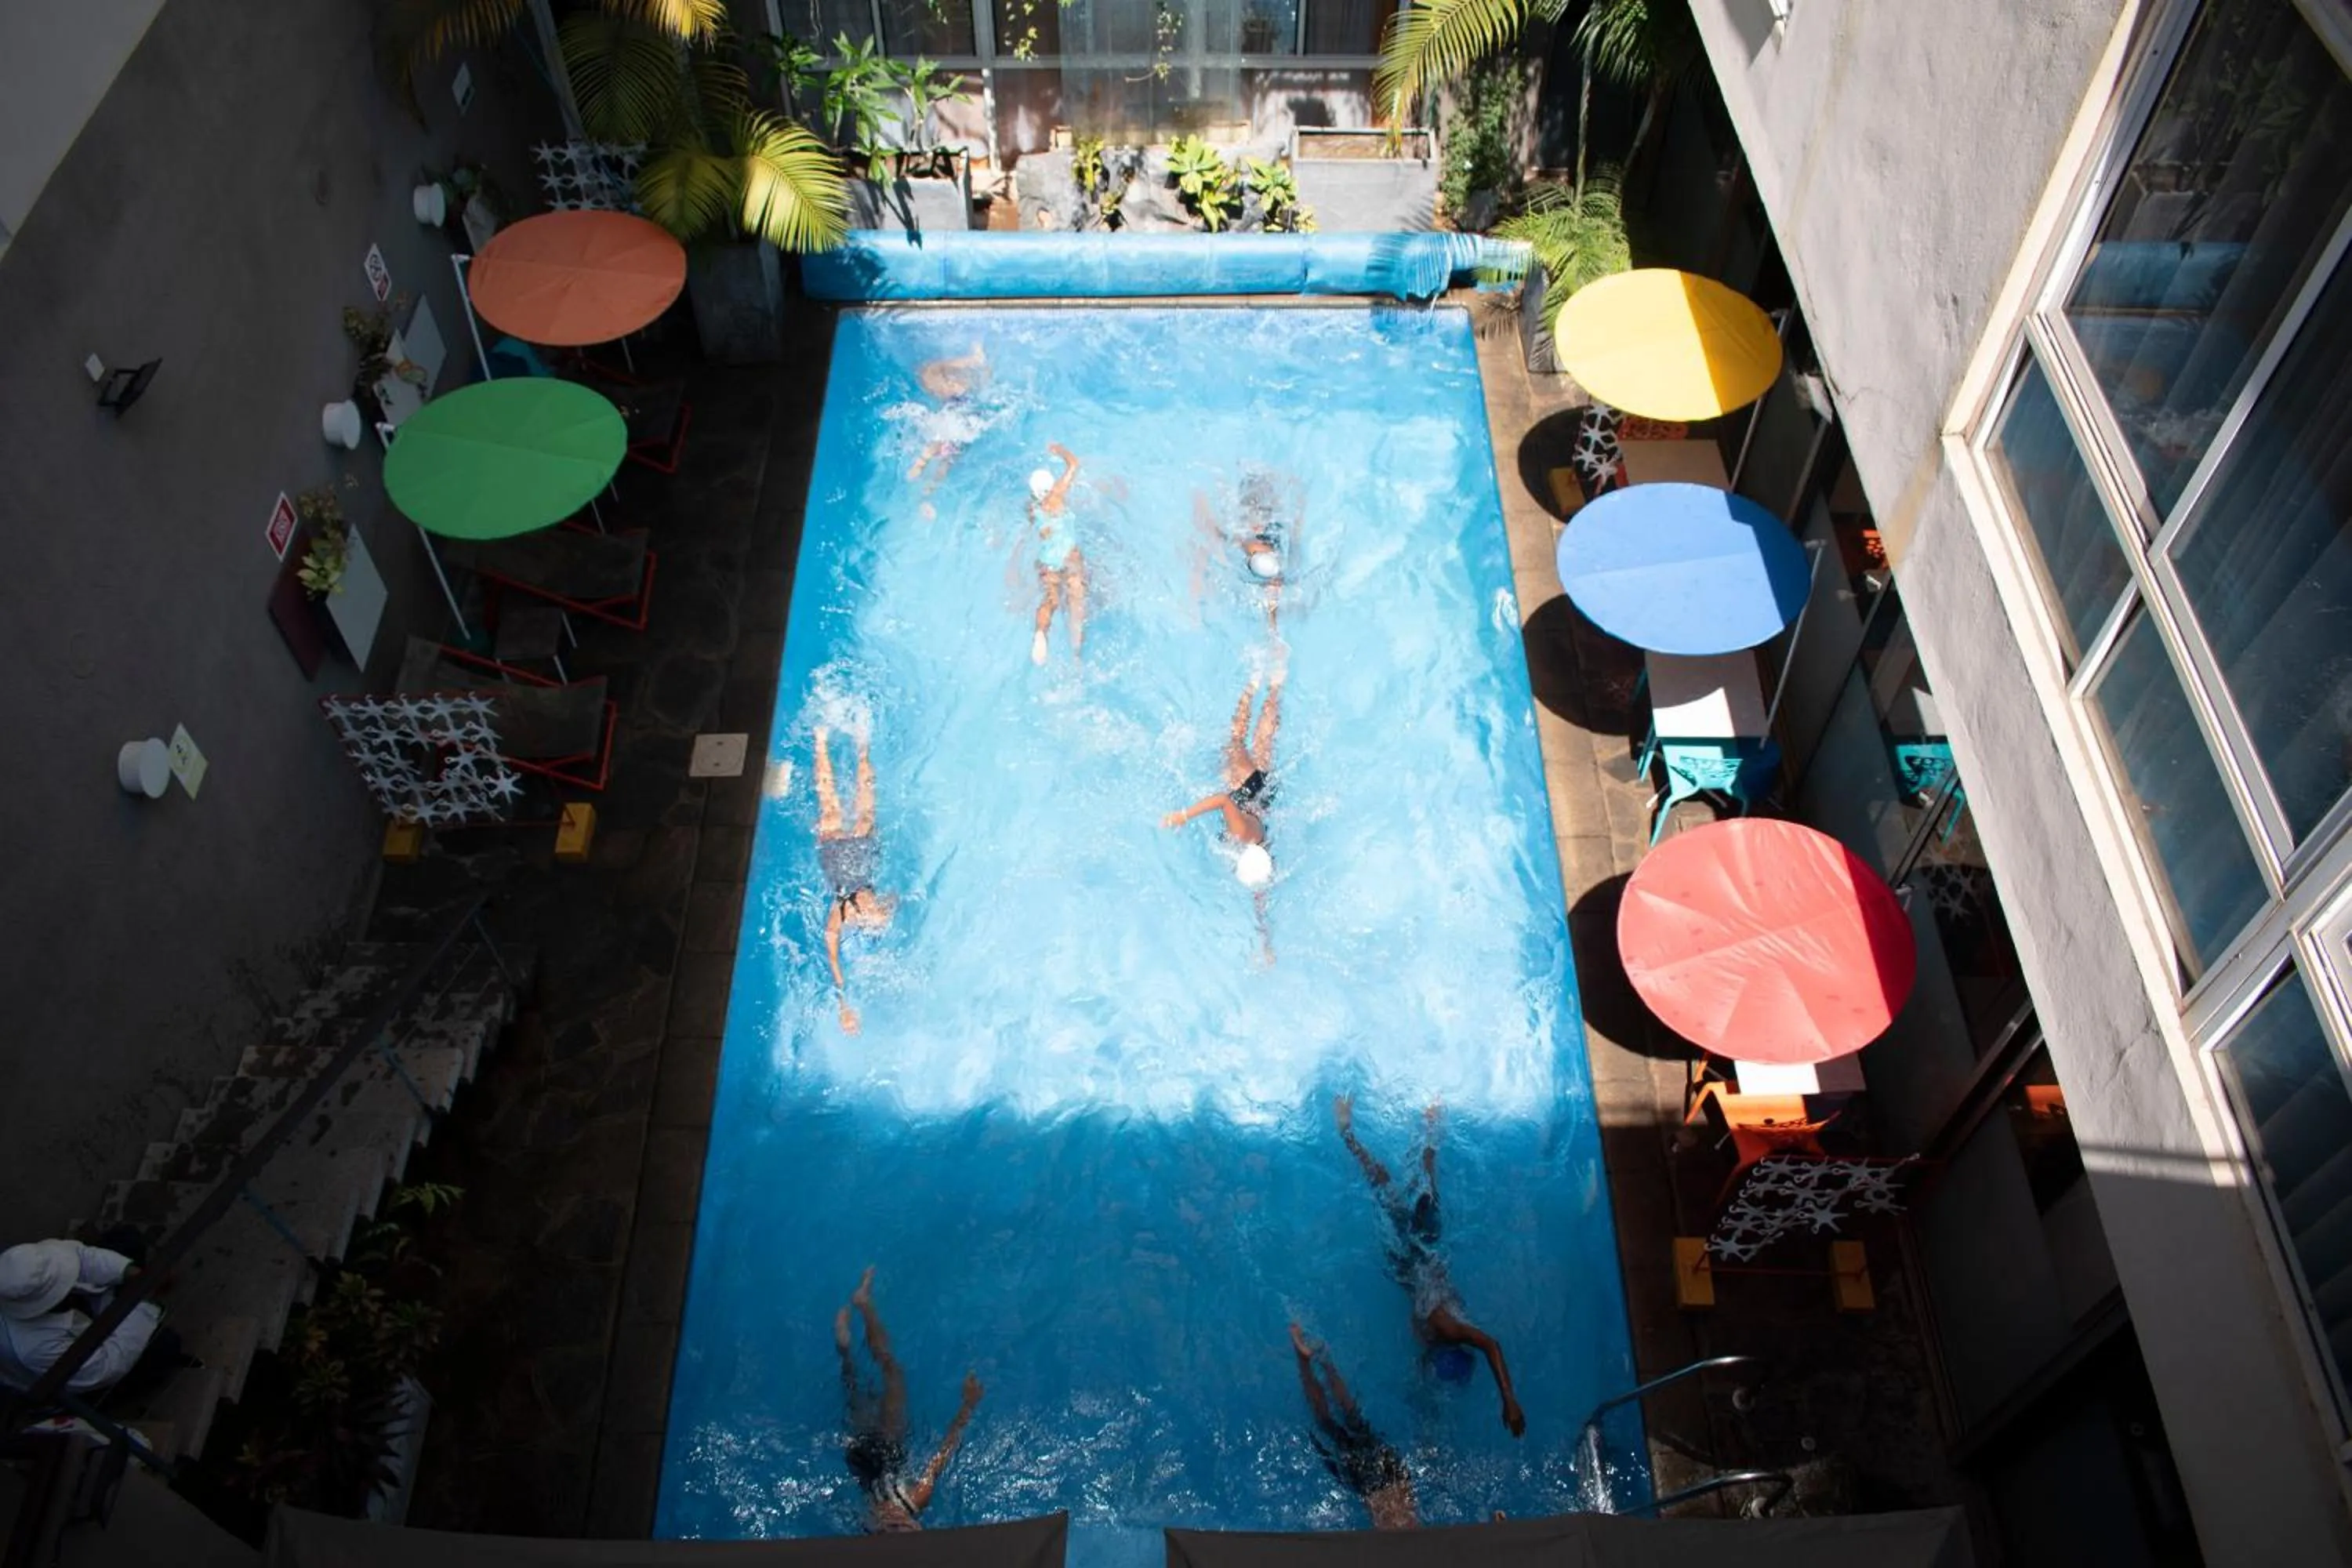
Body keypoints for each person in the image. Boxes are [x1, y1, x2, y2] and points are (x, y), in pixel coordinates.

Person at [1335, 1096, 1526, 1437]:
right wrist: (1508, 1399)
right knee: (1412, 1187)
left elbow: (1469, 1352)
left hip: (1411, 1265)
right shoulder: (1447, 1327)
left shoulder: (1436, 1342)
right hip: (1418, 1253)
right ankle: (1356, 1133)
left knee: (1403, 1188)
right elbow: (1491, 1345)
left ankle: (1374, 1132)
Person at [836, 1266, 985, 1534]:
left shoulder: (916, 1500)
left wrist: (968, 1405)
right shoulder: (877, 1521)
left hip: (887, 1448)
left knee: (892, 1372)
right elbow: (942, 1454)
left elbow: (943, 1453)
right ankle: (845, 1349)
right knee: (855, 1390)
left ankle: (864, 1306)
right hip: (861, 1460)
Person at [1160, 652, 1285, 961]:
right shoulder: (1242, 836)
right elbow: (1222, 800)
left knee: (1262, 742)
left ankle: (1272, 685)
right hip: (1243, 788)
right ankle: (1253, 684)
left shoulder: (1263, 851)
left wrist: (1265, 942)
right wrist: (1183, 816)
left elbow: (1260, 899)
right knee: (1236, 740)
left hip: (1263, 792)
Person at [0, 1236, 187, 1402]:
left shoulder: (28, 1264)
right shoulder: (35, 1348)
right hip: (77, 1381)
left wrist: (132, 1274)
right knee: (165, 1346)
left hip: (81, 1313)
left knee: (125, 1240)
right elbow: (110, 1365)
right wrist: (145, 1303)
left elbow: (82, 1258)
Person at [1289, 1322, 1419, 1530]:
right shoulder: (1397, 1543)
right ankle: (1303, 1361)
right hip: (1369, 1484)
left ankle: (1326, 1362)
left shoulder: (1417, 1533)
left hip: (1393, 1468)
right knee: (1327, 1424)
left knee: (1353, 1417)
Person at [815, 724, 897, 1036]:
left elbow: (833, 956)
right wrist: (886, 911)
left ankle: (821, 742)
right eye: (871, 903)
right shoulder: (875, 911)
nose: (869, 902)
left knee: (829, 804)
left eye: (868, 905)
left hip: (834, 852)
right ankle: (862, 745)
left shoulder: (841, 914)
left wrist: (843, 1006)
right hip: (862, 852)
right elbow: (894, 898)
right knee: (865, 808)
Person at [1192, 468, 1298, 630]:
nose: (1256, 522)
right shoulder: (1245, 536)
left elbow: (1273, 593)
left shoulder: (1262, 552)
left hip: (1266, 558)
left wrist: (1273, 635)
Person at [1025, 443, 1085, 665]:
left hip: (1047, 560)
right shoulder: (1056, 496)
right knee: (1076, 604)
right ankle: (1077, 655)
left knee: (1050, 600)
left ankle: (1041, 632)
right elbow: (1074, 464)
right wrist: (1060, 450)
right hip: (1069, 557)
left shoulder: (1032, 509)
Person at [906, 343, 991, 492]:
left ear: (948, 382)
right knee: (948, 459)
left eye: (935, 390)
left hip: (963, 425)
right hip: (967, 427)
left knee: (939, 447)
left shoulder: (958, 389)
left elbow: (940, 369)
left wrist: (975, 359)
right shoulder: (960, 391)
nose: (935, 394)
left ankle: (921, 466)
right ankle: (931, 484)